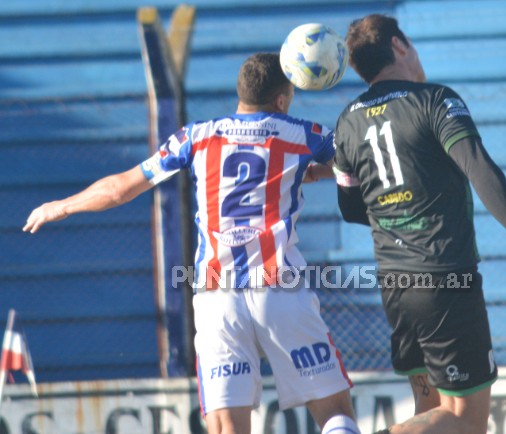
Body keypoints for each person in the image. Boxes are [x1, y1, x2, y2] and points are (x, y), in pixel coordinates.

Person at [23, 53, 361, 434]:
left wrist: (61, 206)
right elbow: (353, 166)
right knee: (335, 414)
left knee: (227, 428)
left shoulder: (195, 136)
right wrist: (307, 171)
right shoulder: (304, 133)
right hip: (280, 289)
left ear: (241, 93)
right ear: (281, 100)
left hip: (217, 298)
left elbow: (119, 189)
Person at [333, 14, 506, 434]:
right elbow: (479, 168)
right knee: (465, 419)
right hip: (444, 281)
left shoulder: (347, 121)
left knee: (432, 408)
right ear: (400, 46)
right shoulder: (434, 101)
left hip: (396, 287)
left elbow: (351, 209)